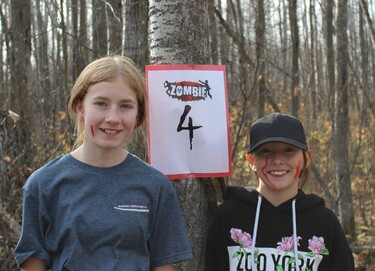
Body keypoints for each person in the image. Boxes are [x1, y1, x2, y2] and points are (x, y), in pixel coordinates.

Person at [14, 56, 192, 271]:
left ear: (137, 116)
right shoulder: (43, 184)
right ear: (80, 108)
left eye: (125, 106)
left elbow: (163, 265)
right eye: (101, 104)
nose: (113, 118)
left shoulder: (155, 185)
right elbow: (33, 265)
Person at [205, 112, 355, 271]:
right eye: (266, 151)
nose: (277, 160)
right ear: (251, 161)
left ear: (306, 159)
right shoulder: (229, 216)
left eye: (288, 150)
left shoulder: (324, 223)